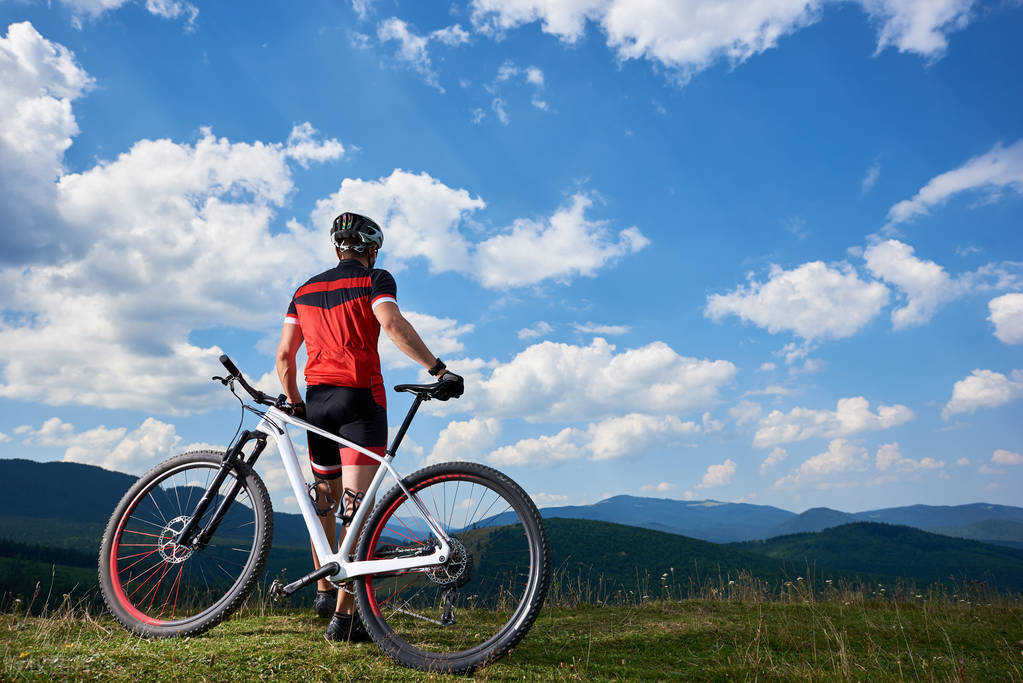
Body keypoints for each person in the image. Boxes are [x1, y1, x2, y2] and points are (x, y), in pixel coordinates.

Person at [275, 211, 463, 642]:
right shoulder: (376, 279)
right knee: (356, 510)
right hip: (360, 401)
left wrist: (298, 403)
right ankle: (347, 620)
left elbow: (285, 357)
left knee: (324, 499)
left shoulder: (303, 290)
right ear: (372, 249)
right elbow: (391, 323)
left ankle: (324, 592)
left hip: (317, 402)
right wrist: (437, 369)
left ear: (336, 247)